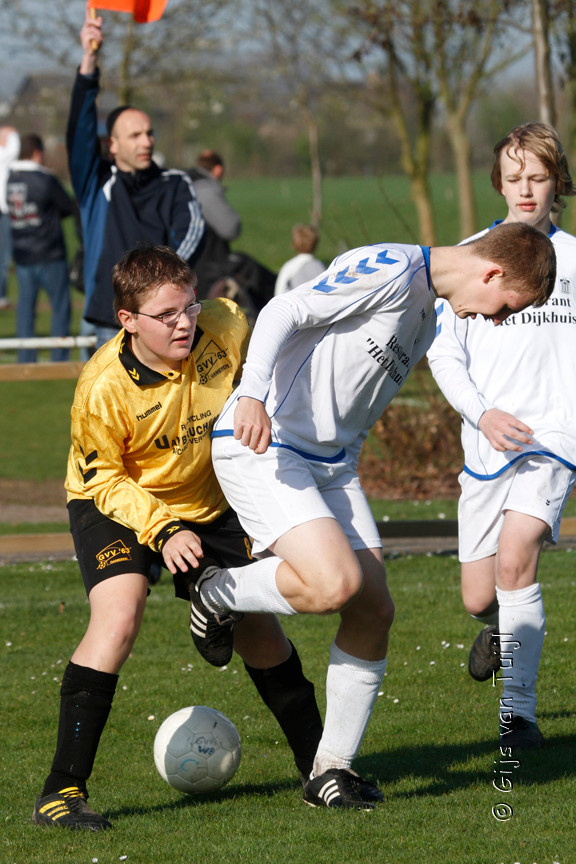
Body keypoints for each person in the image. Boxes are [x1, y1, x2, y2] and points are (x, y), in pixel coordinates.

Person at [186, 222, 555, 810]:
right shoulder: (392, 268)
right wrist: (252, 392)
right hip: (265, 441)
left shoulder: (429, 313)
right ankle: (218, 591)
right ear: (492, 273)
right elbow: (284, 310)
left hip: (330, 465)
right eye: (507, 306)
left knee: (374, 608)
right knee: (333, 583)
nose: (497, 319)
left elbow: (352, 404)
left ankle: (330, 771)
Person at [32, 245, 323, 832]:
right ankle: (60, 793)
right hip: (114, 499)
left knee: (260, 633)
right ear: (127, 320)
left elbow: (276, 357)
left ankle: (323, 769)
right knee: (118, 618)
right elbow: (103, 477)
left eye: (188, 306)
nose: (184, 323)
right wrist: (162, 529)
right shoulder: (102, 386)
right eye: (165, 315)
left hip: (209, 500)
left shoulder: (225, 325)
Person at [427, 122, 576, 750]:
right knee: (476, 596)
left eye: (538, 177)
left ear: (557, 183)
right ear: (499, 183)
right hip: (487, 444)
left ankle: (519, 716)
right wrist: (482, 414)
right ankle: (497, 625)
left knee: (517, 559)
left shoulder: (574, 259)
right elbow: (443, 354)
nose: (526, 189)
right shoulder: (469, 256)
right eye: (514, 178)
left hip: (555, 441)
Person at [68, 6, 205, 352]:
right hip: (106, 323)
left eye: (149, 133)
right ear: (112, 145)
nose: (146, 142)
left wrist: (158, 295)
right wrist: (89, 60)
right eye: (135, 135)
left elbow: (191, 239)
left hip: (162, 323)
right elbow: (80, 128)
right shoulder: (97, 182)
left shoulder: (175, 184)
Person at [7, 133, 75, 363]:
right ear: (37, 153)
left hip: (22, 254)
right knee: (60, 308)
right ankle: (59, 358)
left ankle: (25, 358)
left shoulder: (10, 178)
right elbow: (67, 206)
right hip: (49, 253)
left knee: (26, 309)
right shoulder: (45, 178)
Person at [187, 149, 242, 297]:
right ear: (218, 170)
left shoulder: (186, 183)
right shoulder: (204, 189)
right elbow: (230, 228)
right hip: (206, 268)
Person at [0, 125, 20, 310]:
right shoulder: (4, 154)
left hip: (5, 210)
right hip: (4, 210)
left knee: (4, 257)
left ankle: (1, 295)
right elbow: (13, 146)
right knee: (4, 256)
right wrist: (7, 133)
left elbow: (14, 148)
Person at [274, 224, 325, 296]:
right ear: (315, 245)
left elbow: (279, 292)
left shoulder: (289, 267)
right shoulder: (320, 266)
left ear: (293, 245)